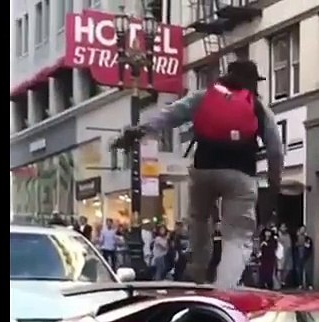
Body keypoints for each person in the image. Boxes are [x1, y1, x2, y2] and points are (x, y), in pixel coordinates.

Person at [121, 59, 283, 290]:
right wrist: (274, 184)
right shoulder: (257, 106)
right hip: (241, 174)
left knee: (199, 219)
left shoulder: (205, 96)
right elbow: (275, 149)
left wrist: (142, 130)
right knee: (237, 234)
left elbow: (171, 114)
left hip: (203, 169)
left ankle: (196, 273)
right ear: (251, 82)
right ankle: (223, 287)